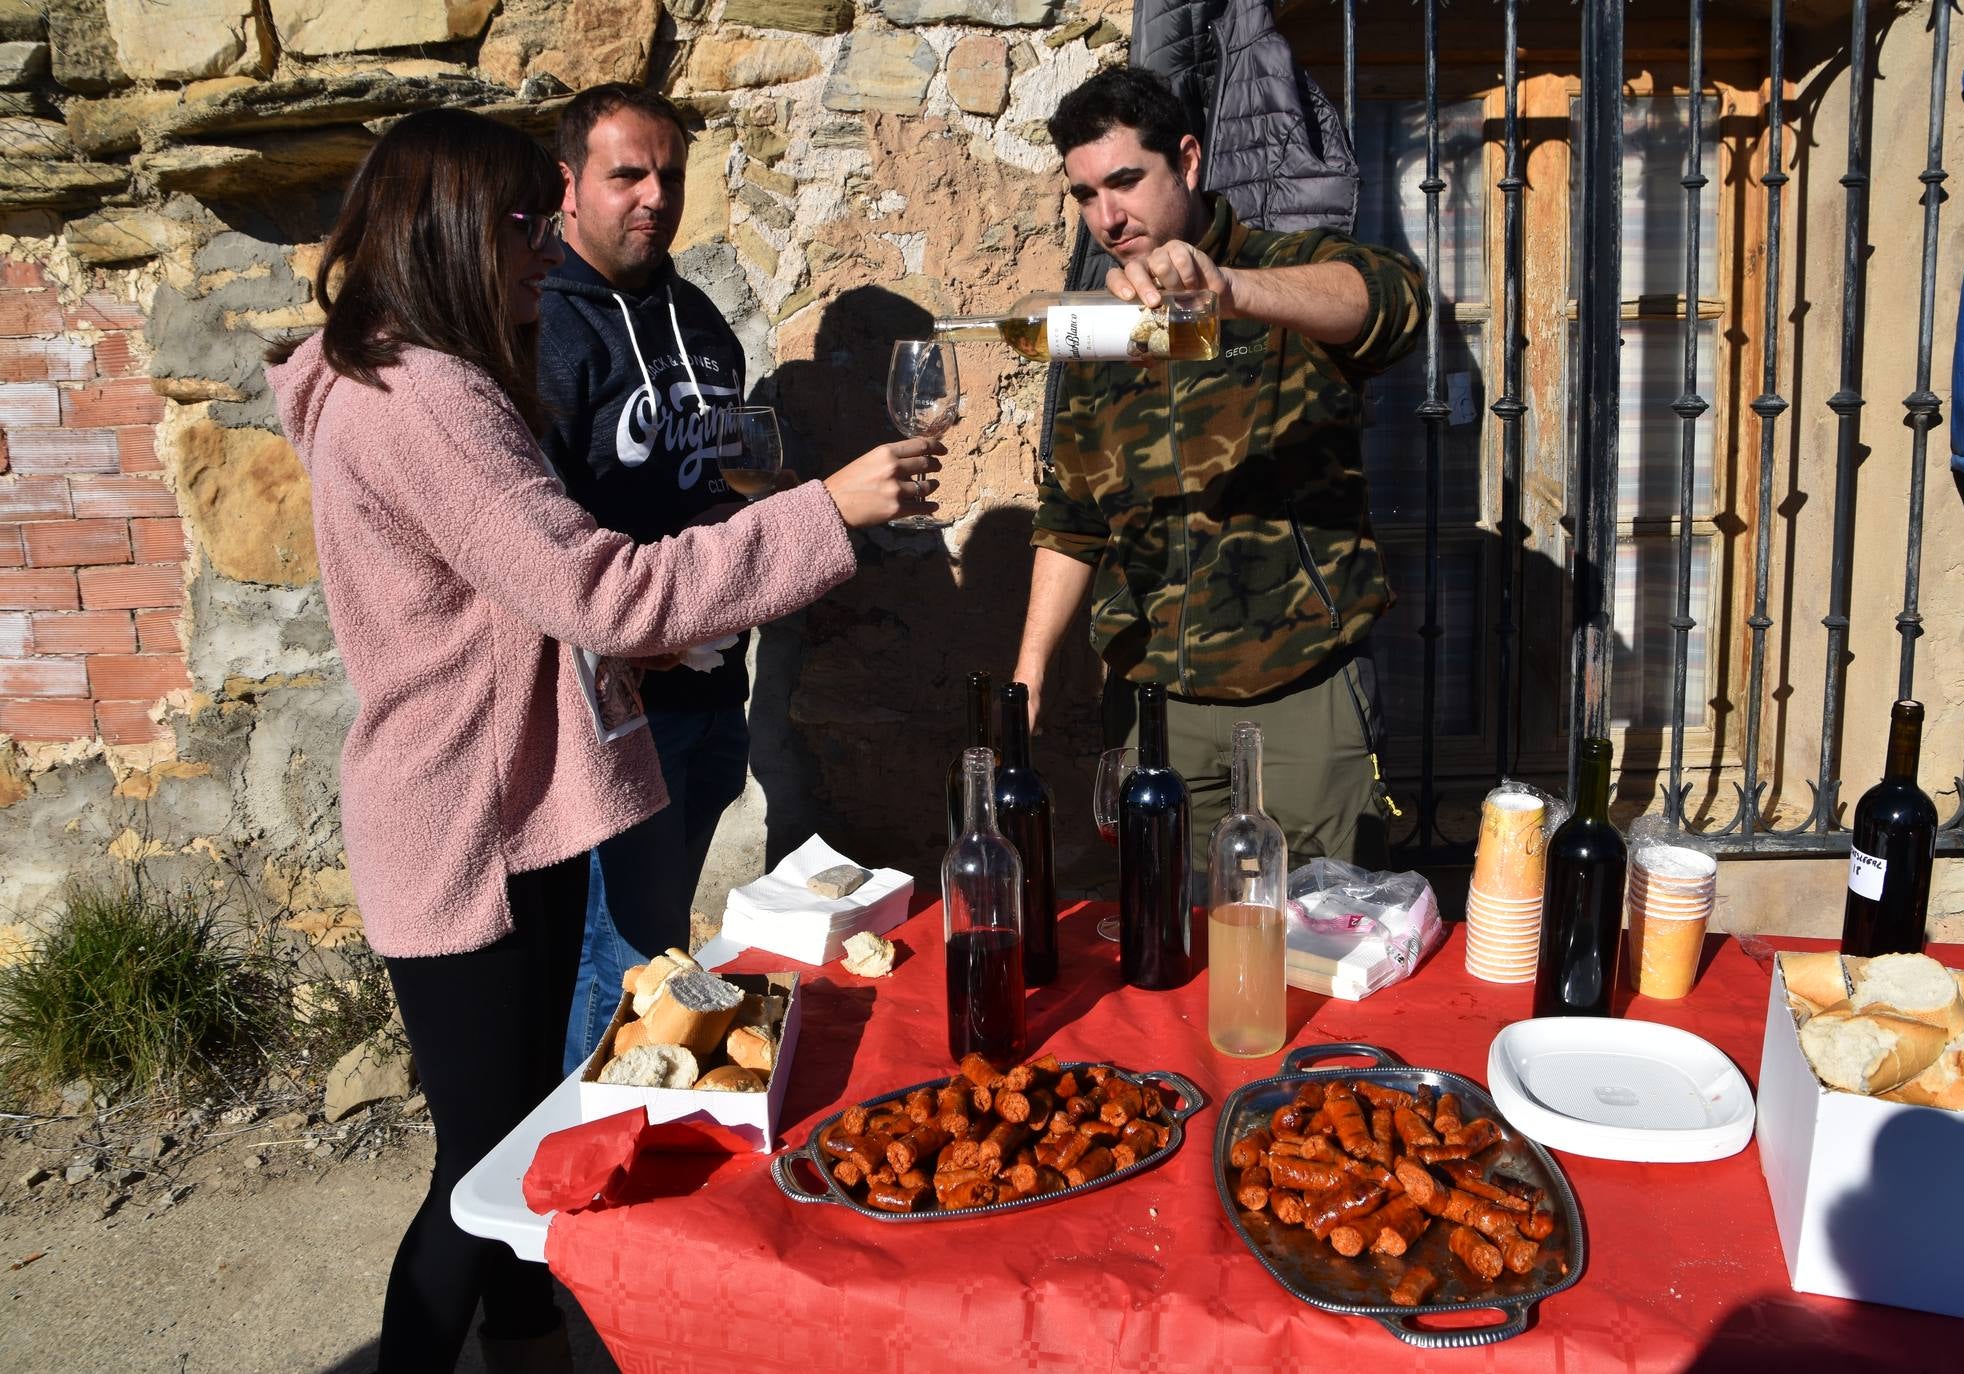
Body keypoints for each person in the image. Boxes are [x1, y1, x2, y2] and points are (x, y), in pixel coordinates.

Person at [265, 109, 940, 1374]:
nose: (545, 246)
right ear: (453, 230)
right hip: (459, 828)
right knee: (481, 1171)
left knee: (522, 1127)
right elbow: (602, 595)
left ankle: (532, 1351)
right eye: (525, 222)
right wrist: (824, 513)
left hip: (500, 813)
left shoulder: (422, 378)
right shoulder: (422, 398)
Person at [1012, 66, 1426, 872]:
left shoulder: (1282, 273)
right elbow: (1070, 517)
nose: (1108, 216)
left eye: (1126, 182)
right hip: (1152, 709)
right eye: (1087, 196)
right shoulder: (1098, 326)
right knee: (1168, 945)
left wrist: (1229, 291)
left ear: (1189, 162)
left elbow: (1391, 304)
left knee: (1325, 943)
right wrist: (1027, 674)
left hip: (1299, 691)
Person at [535, 84, 763, 1074]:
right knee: (619, 960)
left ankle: (638, 1140)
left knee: (662, 943)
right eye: (627, 173)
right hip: (618, 707)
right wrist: (621, 640)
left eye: (669, 174)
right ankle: (565, 1201)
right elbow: (526, 537)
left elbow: (727, 471)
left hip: (718, 690)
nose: (654, 197)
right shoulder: (546, 328)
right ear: (568, 183)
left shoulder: (701, 322)